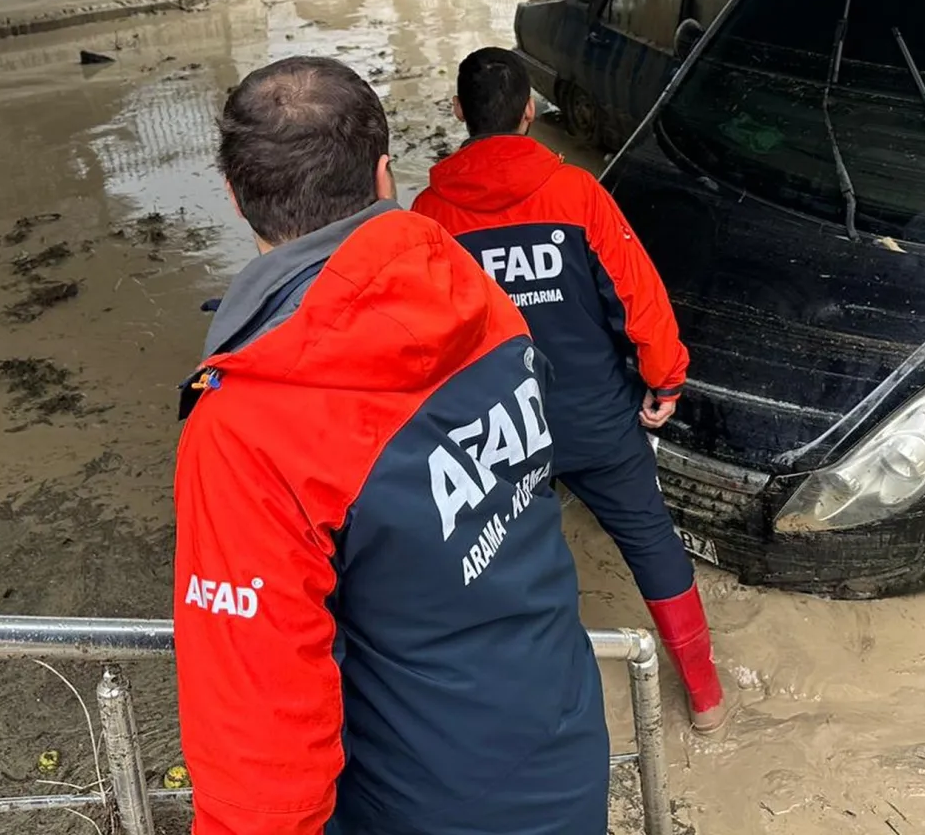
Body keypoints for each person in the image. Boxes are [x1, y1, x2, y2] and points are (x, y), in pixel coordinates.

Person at [173, 56, 609, 835]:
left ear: (233, 197)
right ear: (384, 176)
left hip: (423, 804)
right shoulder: (478, 295)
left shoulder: (251, 422)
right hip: (564, 742)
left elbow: (259, 730)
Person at [412, 48, 726, 731]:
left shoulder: (431, 217)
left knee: (500, 561)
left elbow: (427, 343)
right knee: (649, 540)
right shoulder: (577, 195)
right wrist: (664, 380)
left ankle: (525, 713)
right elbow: (639, 303)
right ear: (530, 111)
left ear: (459, 113)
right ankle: (704, 700)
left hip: (496, 434)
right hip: (595, 418)